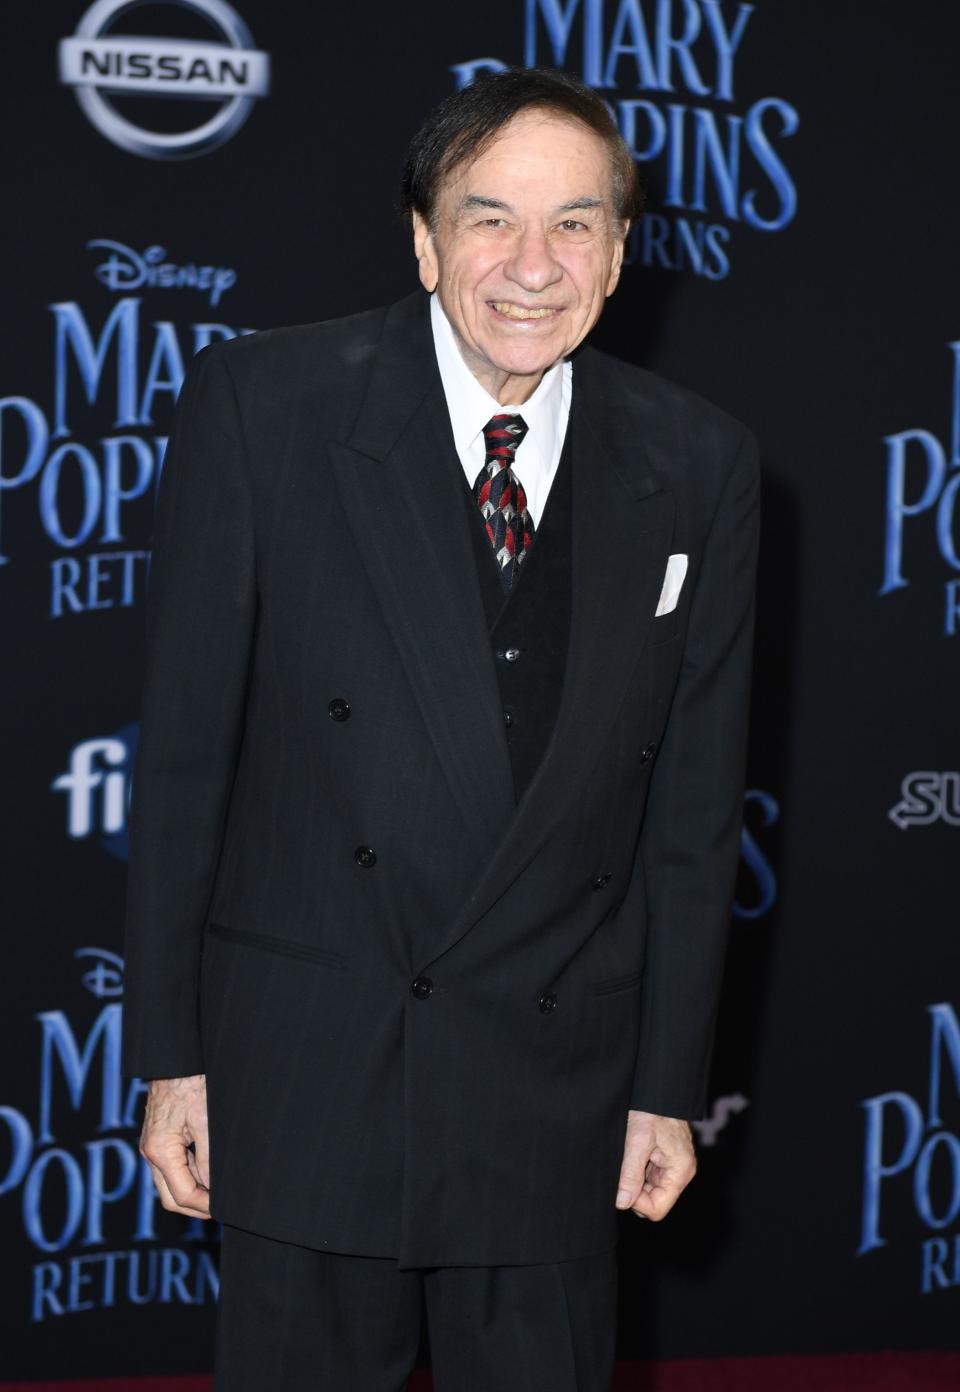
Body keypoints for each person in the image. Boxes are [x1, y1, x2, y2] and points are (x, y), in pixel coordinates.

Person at [122, 66, 760, 1391]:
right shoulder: (269, 409)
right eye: (491, 219)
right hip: (313, 1064)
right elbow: (183, 765)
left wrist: (663, 1086)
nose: (535, 264)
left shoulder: (699, 463)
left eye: (576, 223)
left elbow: (694, 819)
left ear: (623, 252)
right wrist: (172, 1057)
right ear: (423, 242)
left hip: (553, 1087)